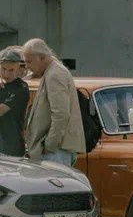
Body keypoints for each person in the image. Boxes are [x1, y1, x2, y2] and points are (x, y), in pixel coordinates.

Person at [21, 38, 85, 167]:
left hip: (56, 151)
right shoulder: (52, 71)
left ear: (42, 57)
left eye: (29, 62)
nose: (27, 66)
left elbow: (61, 113)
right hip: (56, 149)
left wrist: (50, 145)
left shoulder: (55, 74)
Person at [0, 47, 31, 158]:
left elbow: (1, 110)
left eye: (11, 70)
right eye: (3, 69)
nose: (6, 74)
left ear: (18, 69)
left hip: (11, 149)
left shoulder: (20, 88)